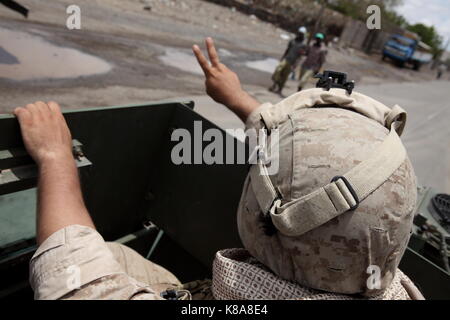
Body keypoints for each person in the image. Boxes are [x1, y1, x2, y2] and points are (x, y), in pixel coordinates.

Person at [18, 37, 424, 300]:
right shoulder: (379, 273)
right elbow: (341, 179)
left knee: (108, 254)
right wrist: (240, 100)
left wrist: (57, 159)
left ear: (264, 218)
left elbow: (75, 284)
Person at [269, 27, 307, 95]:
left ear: (303, 35)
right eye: (299, 33)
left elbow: (300, 57)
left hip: (292, 62)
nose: (300, 35)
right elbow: (287, 50)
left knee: (284, 76)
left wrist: (295, 65)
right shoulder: (292, 41)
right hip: (286, 59)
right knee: (278, 70)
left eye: (301, 34)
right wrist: (282, 58)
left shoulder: (303, 45)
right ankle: (275, 84)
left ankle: (279, 89)